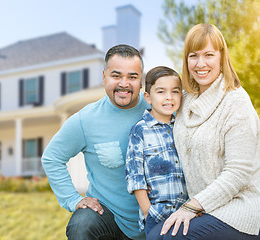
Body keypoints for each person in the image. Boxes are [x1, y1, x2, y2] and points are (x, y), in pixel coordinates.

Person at [147, 23, 260, 239]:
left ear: (221, 57)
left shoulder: (236, 102)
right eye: (193, 56)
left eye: (208, 55)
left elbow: (238, 172)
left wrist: (192, 207)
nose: (200, 64)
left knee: (166, 238)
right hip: (201, 207)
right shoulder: (185, 99)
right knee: (152, 233)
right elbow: (156, 111)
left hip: (238, 209)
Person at [41, 44, 149, 240]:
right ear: (104, 77)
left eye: (132, 77)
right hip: (109, 217)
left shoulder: (158, 109)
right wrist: (72, 199)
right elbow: (52, 158)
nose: (124, 83)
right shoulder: (85, 120)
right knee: (81, 225)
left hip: (156, 217)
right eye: (116, 76)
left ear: (141, 80)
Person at [125, 66, 188, 238]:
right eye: (161, 92)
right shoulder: (140, 131)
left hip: (187, 214)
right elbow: (135, 177)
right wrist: (148, 213)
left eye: (175, 91)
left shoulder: (183, 127)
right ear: (148, 97)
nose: (169, 97)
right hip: (158, 215)